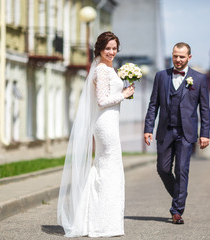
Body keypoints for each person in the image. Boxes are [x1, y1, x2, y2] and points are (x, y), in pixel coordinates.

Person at [57, 31, 134, 237]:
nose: (111, 52)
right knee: (108, 169)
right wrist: (123, 95)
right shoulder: (101, 70)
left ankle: (99, 220)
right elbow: (101, 101)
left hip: (110, 122)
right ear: (99, 49)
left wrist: (124, 90)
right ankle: (100, 223)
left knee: (105, 169)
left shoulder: (109, 68)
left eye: (114, 48)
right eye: (107, 48)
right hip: (105, 124)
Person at [143, 42, 210, 224]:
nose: (178, 60)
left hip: (186, 133)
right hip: (165, 130)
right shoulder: (161, 76)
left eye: (182, 56)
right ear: (172, 56)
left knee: (181, 170)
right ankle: (181, 194)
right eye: (175, 56)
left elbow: (205, 109)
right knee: (163, 169)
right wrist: (148, 129)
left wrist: (205, 133)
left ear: (189, 57)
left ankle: (177, 211)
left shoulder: (199, 79)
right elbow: (153, 105)